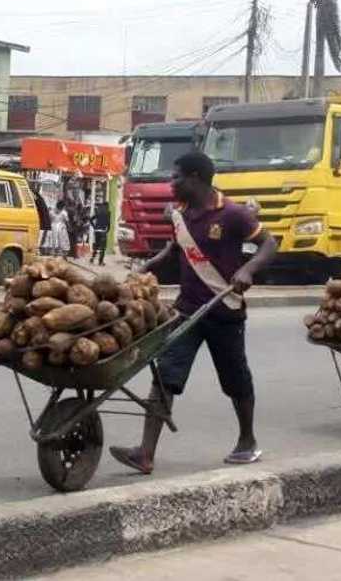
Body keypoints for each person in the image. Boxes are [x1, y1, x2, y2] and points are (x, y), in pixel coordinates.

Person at [109, 152, 276, 473]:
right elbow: (176, 251)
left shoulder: (233, 214)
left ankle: (247, 440)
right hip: (187, 311)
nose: (171, 183)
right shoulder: (183, 216)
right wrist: (150, 266)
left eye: (176, 177)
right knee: (165, 376)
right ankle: (145, 452)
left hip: (224, 310)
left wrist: (249, 271)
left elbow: (270, 245)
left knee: (235, 379)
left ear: (196, 178)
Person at [91, 197, 111, 266]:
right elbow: (108, 222)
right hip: (103, 231)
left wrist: (94, 227)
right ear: (107, 206)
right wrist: (108, 230)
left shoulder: (98, 211)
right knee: (103, 247)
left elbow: (91, 219)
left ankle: (92, 258)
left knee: (96, 245)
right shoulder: (108, 212)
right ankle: (100, 262)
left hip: (96, 231)